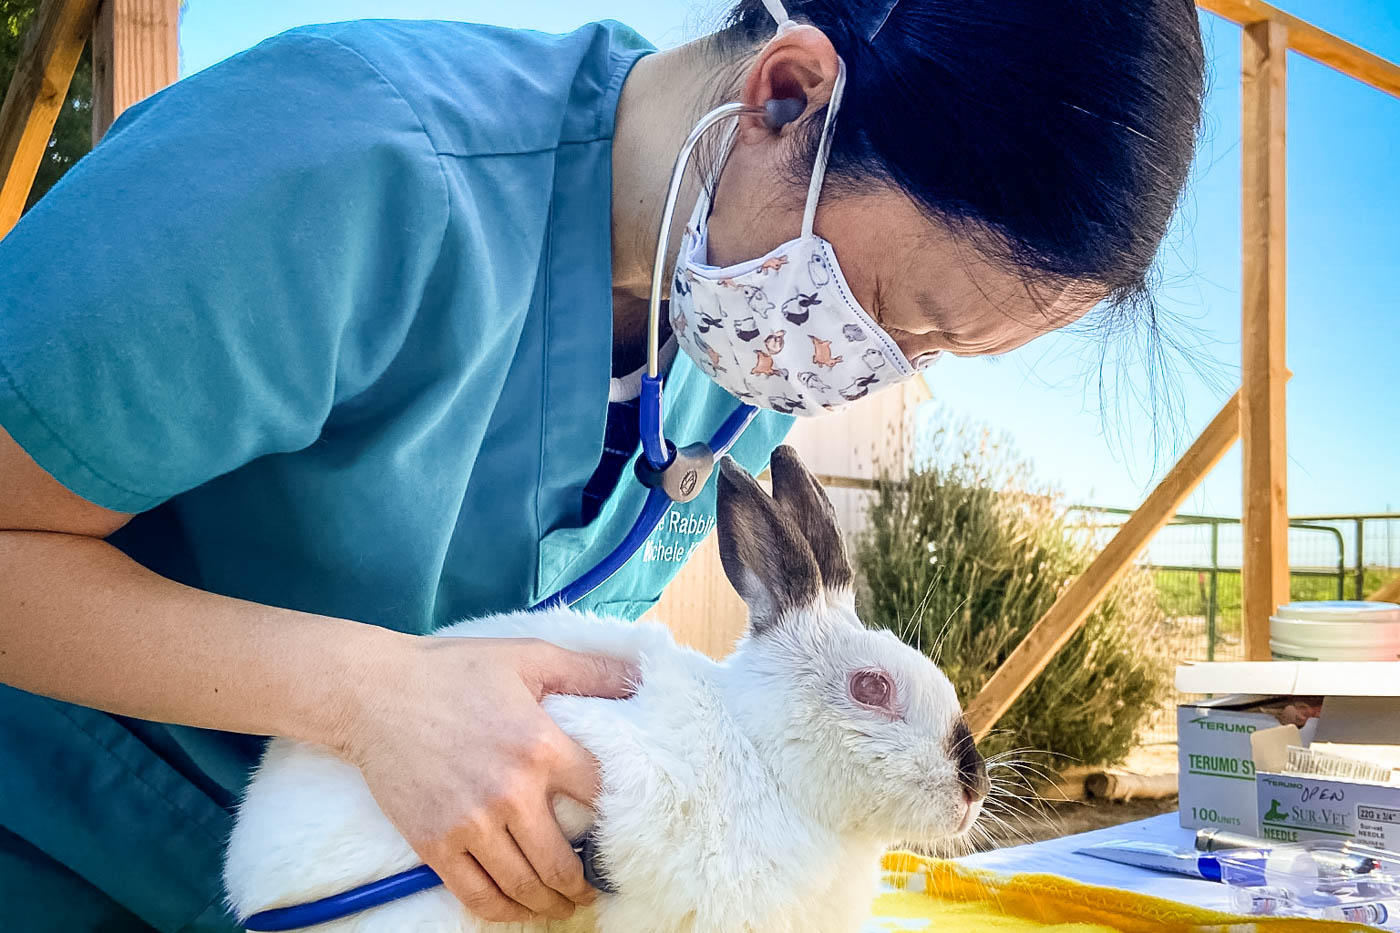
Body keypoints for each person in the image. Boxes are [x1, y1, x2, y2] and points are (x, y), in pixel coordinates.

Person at [0, 0, 1205, 929]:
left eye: (934, 350)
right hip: (66, 857)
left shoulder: (737, 346)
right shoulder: (343, 164)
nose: (868, 367)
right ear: (785, 95)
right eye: (895, 310)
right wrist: (365, 699)